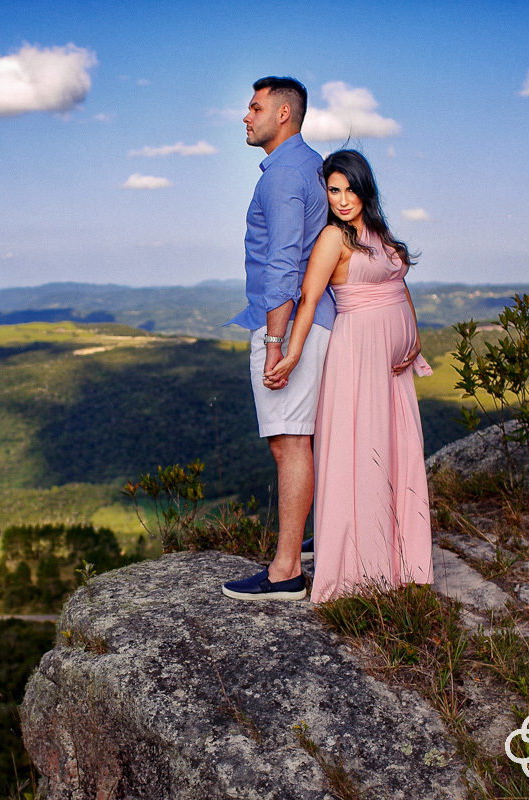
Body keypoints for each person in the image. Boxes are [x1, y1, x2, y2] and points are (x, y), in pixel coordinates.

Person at [264, 149, 434, 602]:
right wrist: (290, 351)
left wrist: (413, 336)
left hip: (393, 363)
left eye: (349, 189)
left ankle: (399, 559)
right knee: (361, 449)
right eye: (333, 190)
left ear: (365, 188)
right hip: (357, 355)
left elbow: (400, 285)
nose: (341, 200)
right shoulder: (332, 240)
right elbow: (309, 296)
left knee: (396, 449)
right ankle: (359, 566)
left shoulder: (378, 233)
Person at [221, 77, 336, 601]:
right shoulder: (308, 165)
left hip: (289, 327)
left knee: (288, 443)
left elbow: (283, 261)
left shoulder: (284, 174)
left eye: (254, 107)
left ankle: (286, 571)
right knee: (303, 439)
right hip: (310, 323)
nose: (246, 117)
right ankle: (316, 542)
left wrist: (275, 343)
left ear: (284, 113)